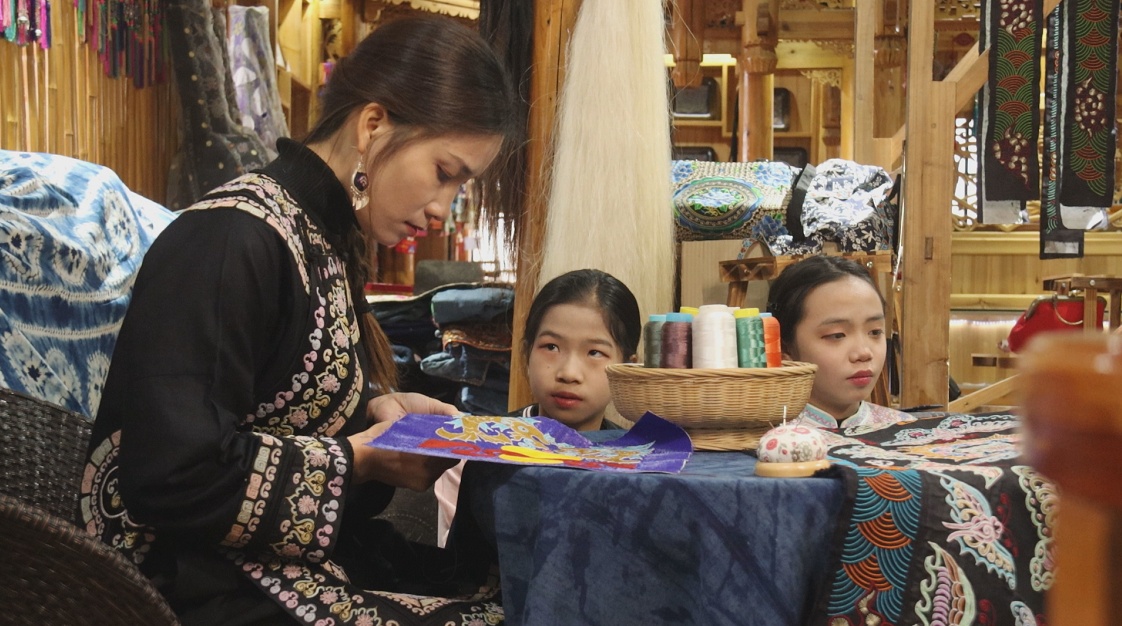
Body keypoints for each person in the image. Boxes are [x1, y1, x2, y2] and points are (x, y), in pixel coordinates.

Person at [79, 16, 518, 626]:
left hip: (273, 563)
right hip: (182, 584)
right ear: (373, 125)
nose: (443, 209)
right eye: (445, 174)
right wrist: (359, 458)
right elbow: (171, 476)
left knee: (520, 590)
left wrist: (378, 412)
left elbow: (280, 409)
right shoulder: (230, 240)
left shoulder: (323, 238)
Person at [435, 268, 642, 545]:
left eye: (595, 352)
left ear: (627, 369)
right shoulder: (485, 452)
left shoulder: (636, 464)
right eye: (551, 347)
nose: (568, 373)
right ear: (525, 354)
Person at [766, 255, 913, 429]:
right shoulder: (759, 437)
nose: (864, 353)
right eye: (837, 335)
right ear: (784, 349)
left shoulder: (906, 430)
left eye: (875, 332)